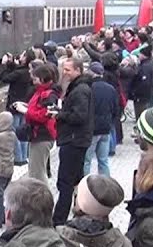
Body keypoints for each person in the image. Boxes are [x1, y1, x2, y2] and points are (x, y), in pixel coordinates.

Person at [52, 57, 94, 226]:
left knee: (65, 181)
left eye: (68, 69)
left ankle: (59, 219)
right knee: (76, 179)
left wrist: (59, 115)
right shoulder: (80, 88)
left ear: (78, 70)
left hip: (73, 140)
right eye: (64, 69)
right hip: (77, 139)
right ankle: (80, 209)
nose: (64, 72)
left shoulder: (80, 90)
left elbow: (79, 116)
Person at [19, 63, 60, 183]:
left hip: (42, 135)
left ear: (43, 79)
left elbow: (44, 116)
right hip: (37, 135)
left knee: (37, 173)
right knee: (35, 170)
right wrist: (26, 106)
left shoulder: (48, 95)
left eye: (35, 78)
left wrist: (26, 111)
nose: (33, 81)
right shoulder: (42, 92)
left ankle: (42, 198)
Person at [85, 61, 119, 176]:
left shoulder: (89, 88)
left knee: (87, 161)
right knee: (103, 160)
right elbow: (115, 108)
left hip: (92, 129)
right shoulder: (110, 88)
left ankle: (85, 185)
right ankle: (106, 185)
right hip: (106, 128)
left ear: (92, 72)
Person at [0, 51, 34, 166]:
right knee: (23, 131)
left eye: (23, 55)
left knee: (15, 131)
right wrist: (12, 64)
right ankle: (24, 156)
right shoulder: (29, 72)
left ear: (26, 59)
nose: (21, 56)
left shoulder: (20, 73)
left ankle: (18, 158)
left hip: (15, 104)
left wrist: (4, 64)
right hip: (25, 104)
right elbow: (17, 71)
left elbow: (4, 78)